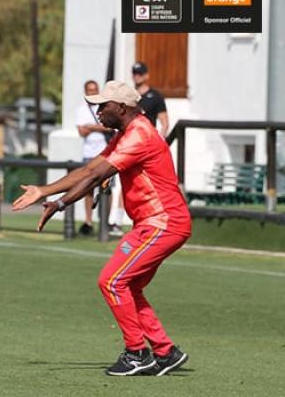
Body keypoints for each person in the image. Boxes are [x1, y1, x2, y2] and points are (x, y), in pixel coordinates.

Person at [12, 80, 190, 376]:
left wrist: (57, 203)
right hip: (157, 223)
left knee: (111, 281)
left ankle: (136, 353)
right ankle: (165, 351)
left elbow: (94, 176)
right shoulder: (127, 133)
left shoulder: (139, 135)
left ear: (121, 107)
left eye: (102, 105)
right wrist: (45, 192)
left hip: (163, 222)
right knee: (129, 285)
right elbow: (88, 170)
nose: (97, 111)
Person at [76, 80, 112, 236]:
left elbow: (109, 127)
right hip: (89, 153)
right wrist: (97, 128)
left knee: (106, 188)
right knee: (88, 189)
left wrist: (90, 127)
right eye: (90, 90)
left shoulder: (104, 107)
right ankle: (89, 221)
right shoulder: (81, 110)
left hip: (105, 153)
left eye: (95, 90)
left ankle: (105, 221)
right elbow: (81, 132)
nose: (92, 92)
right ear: (85, 92)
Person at [132, 62, 169, 137]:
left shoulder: (156, 96)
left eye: (140, 74)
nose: (137, 76)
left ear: (146, 76)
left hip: (148, 138)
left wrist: (160, 141)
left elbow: (165, 123)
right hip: (131, 138)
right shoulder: (128, 95)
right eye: (134, 74)